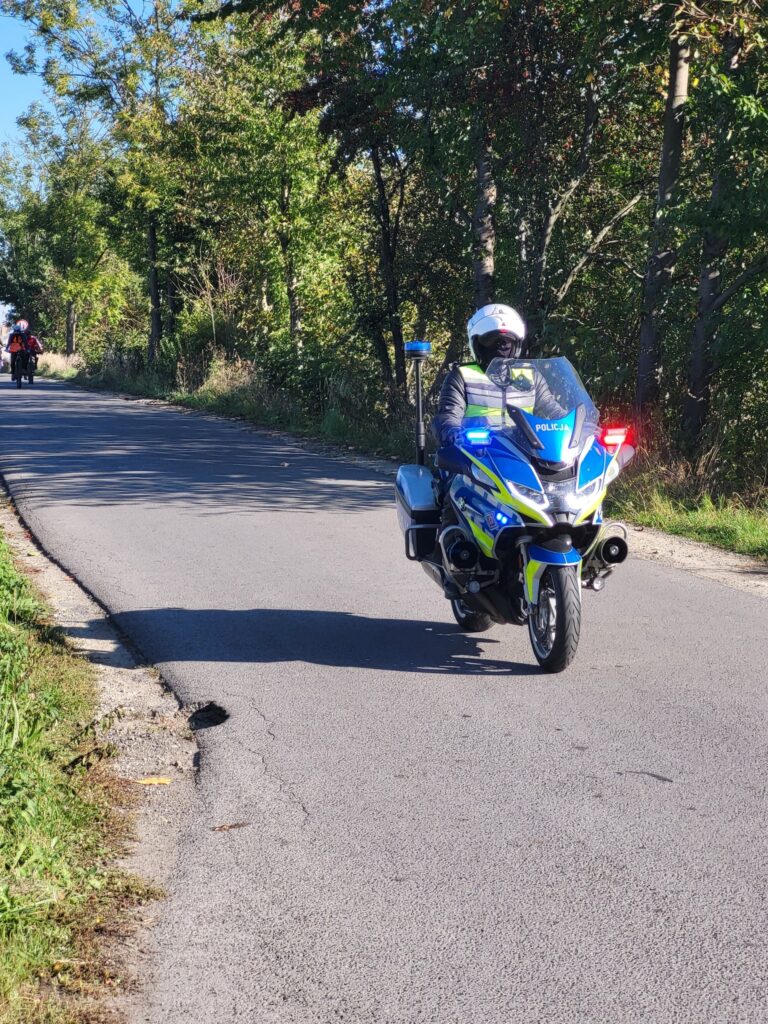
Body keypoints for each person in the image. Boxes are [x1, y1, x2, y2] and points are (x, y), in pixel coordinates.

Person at [432, 303, 564, 447]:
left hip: (526, 452)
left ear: (516, 345)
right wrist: (451, 431)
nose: (500, 347)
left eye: (506, 341)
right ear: (477, 345)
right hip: (477, 455)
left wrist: (577, 426)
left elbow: (553, 409)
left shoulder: (531, 376)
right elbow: (449, 414)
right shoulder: (462, 376)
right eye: (490, 341)